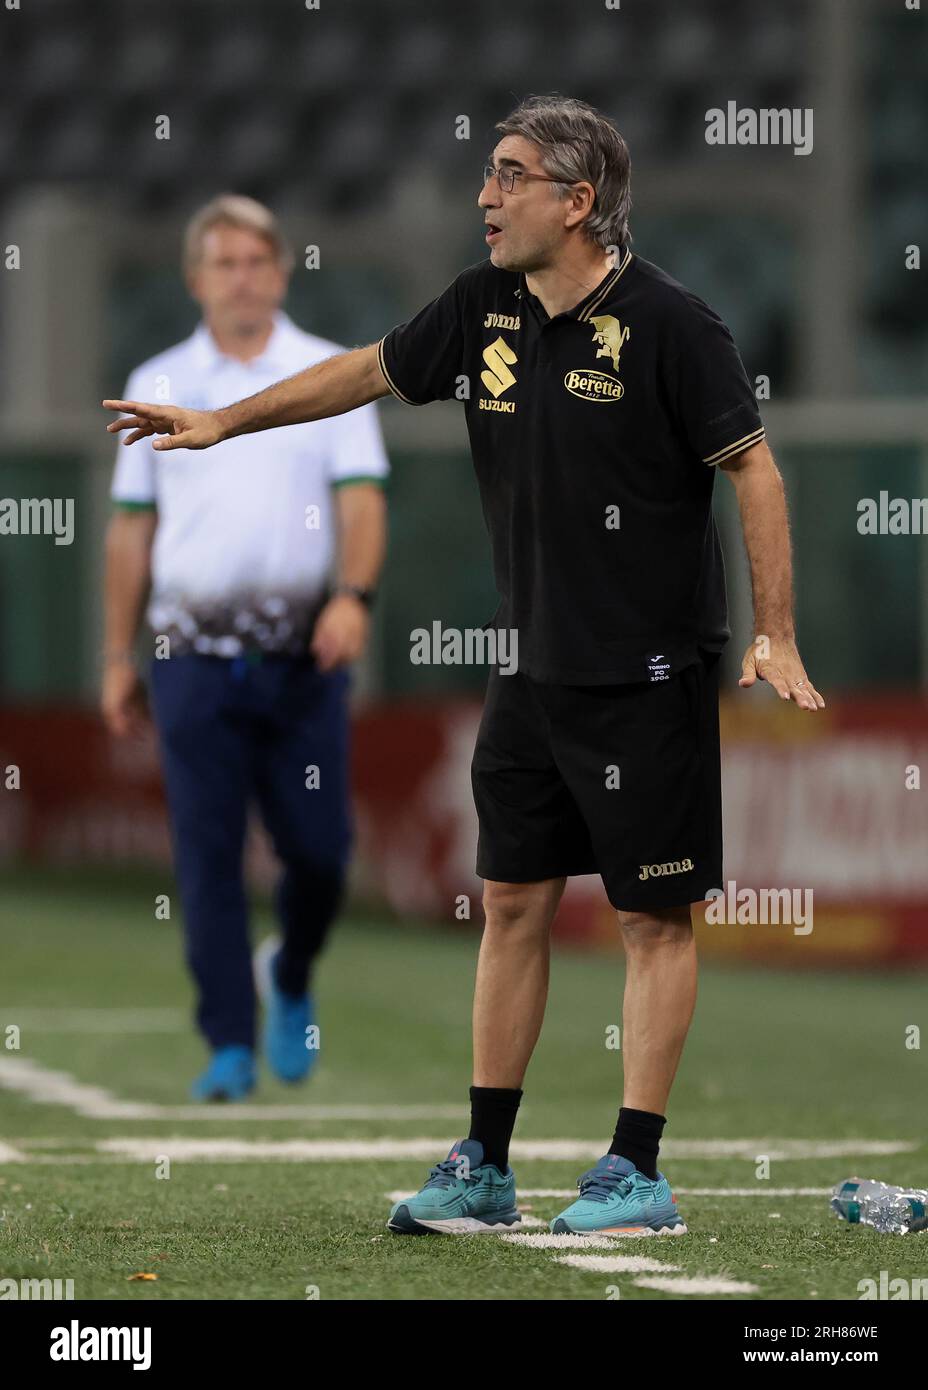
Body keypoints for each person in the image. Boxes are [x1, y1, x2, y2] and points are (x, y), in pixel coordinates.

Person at [103, 97, 822, 1231]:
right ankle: (483, 1163)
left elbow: (758, 473)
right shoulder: (482, 307)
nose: (484, 196)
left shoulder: (674, 325)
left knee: (651, 921)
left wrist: (774, 629)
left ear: (577, 202)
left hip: (646, 672)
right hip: (528, 666)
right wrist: (221, 423)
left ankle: (635, 1168)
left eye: (509, 175)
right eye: (487, 174)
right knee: (511, 902)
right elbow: (363, 372)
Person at [102, 195, 388, 1101]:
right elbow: (128, 531)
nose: (243, 278)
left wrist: (353, 595)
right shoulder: (160, 378)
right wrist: (116, 655)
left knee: (321, 851)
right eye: (225, 263)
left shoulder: (327, 374)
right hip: (190, 658)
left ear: (282, 270)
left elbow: (363, 498)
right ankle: (228, 1042)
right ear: (195, 278)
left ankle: (292, 972)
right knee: (207, 852)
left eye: (258, 261)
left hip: (302, 660)